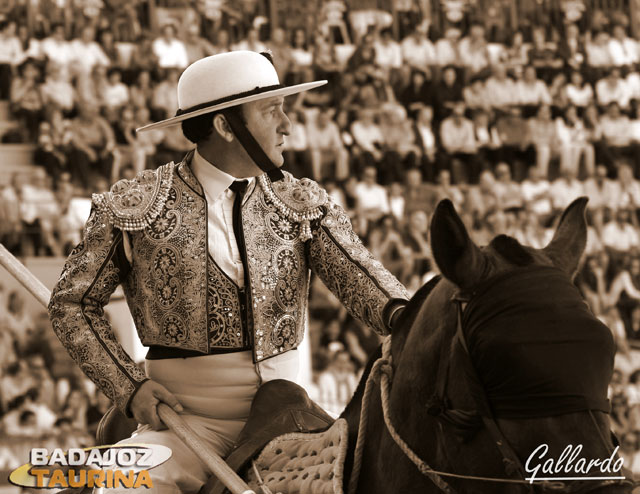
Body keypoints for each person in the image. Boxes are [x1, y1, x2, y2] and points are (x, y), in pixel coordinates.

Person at [48, 51, 409, 493]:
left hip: (288, 423)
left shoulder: (300, 201)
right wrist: (128, 387)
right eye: (270, 110)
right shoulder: (138, 204)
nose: (287, 125)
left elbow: (361, 276)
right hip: (185, 426)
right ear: (225, 125)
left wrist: (407, 316)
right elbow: (72, 304)